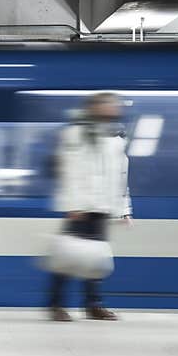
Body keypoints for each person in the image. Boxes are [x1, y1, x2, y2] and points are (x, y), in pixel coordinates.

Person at [48, 92, 132, 321]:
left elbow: (121, 175)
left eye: (115, 104)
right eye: (108, 104)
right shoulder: (76, 133)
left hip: (103, 207)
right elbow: (70, 170)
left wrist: (124, 209)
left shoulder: (116, 136)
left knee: (94, 260)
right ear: (94, 107)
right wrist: (74, 205)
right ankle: (56, 304)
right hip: (82, 207)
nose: (114, 108)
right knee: (68, 258)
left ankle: (93, 305)